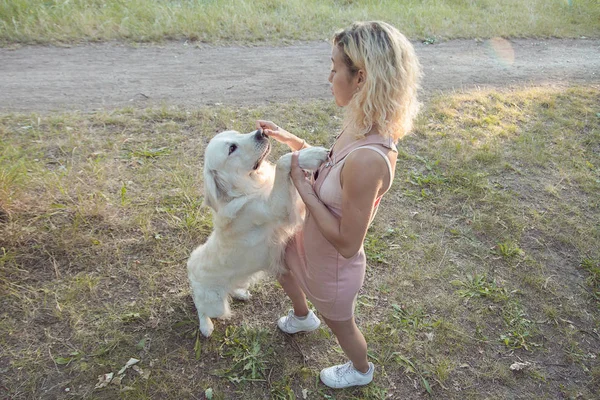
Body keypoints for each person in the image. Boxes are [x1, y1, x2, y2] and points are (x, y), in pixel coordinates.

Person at [256, 21, 421, 389]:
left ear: (361, 77)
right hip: (307, 242)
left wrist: (303, 188)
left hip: (332, 267)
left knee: (341, 325)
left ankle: (361, 370)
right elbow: (329, 162)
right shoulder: (361, 125)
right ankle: (302, 316)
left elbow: (348, 244)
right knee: (282, 266)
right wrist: (289, 139)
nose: (329, 77)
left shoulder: (369, 160)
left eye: (334, 69)